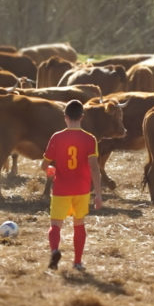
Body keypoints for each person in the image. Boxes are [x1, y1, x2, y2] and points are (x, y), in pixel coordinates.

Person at [40, 99, 103, 271]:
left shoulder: (57, 137)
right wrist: (98, 194)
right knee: (79, 224)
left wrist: (51, 170)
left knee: (55, 225)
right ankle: (77, 262)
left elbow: (44, 166)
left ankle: (54, 251)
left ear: (65, 117)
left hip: (61, 189)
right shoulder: (90, 139)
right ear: (82, 117)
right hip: (82, 190)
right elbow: (95, 168)